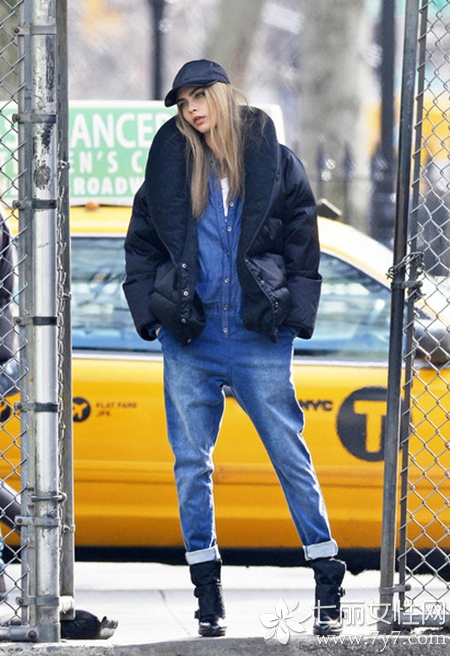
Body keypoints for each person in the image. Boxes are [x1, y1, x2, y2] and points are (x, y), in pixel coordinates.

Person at [124, 59, 346, 638]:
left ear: (222, 94)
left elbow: (302, 240)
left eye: (199, 96)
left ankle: (327, 571)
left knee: (287, 452)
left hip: (256, 334)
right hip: (191, 336)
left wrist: (292, 318)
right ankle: (207, 590)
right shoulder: (173, 164)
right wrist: (152, 317)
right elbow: (141, 244)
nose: (192, 109)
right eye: (183, 103)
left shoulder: (272, 160)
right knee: (191, 463)